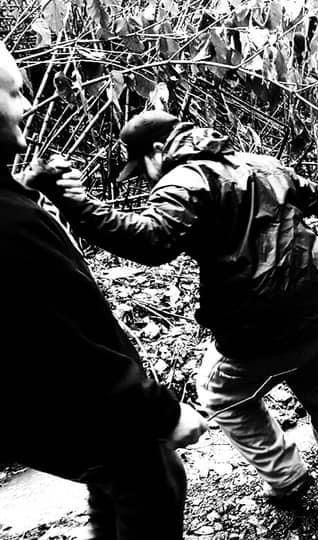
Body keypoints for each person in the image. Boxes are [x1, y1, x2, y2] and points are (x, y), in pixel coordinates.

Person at [34, 110, 318, 501]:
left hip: (260, 328)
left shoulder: (186, 179)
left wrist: (76, 203)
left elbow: (151, 241)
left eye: (142, 164)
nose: (146, 177)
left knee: (219, 394)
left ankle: (287, 476)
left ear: (159, 149)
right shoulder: (261, 164)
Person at [0, 44, 207, 540]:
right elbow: (68, 339)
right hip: (85, 404)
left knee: (115, 476)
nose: (27, 105)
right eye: (13, 93)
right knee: (149, 480)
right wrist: (163, 412)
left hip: (41, 412)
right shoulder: (11, 225)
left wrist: (32, 192)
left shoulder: (12, 213)